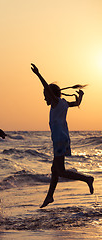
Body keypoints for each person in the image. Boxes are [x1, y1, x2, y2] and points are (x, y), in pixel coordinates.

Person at [31, 63, 94, 208]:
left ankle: (87, 179)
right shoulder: (63, 103)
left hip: (59, 140)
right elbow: (76, 103)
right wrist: (81, 97)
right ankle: (49, 197)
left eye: (45, 95)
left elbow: (47, 87)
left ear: (51, 95)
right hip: (62, 139)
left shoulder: (56, 102)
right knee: (55, 170)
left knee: (60, 170)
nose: (45, 98)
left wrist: (38, 74)